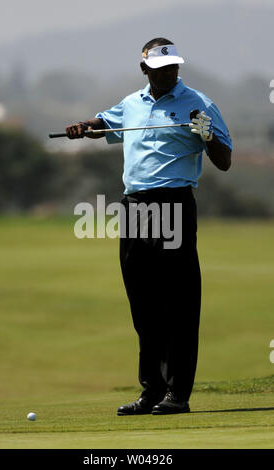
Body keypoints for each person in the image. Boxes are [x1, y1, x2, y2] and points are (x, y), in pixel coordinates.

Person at [66, 38, 232, 415]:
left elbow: (224, 160)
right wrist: (83, 127)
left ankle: (178, 394)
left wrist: (205, 134)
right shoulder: (132, 104)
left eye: (173, 66)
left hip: (174, 204)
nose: (169, 73)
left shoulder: (199, 105)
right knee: (143, 303)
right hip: (135, 206)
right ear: (145, 70)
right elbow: (103, 123)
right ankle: (151, 390)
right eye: (161, 69)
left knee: (179, 302)